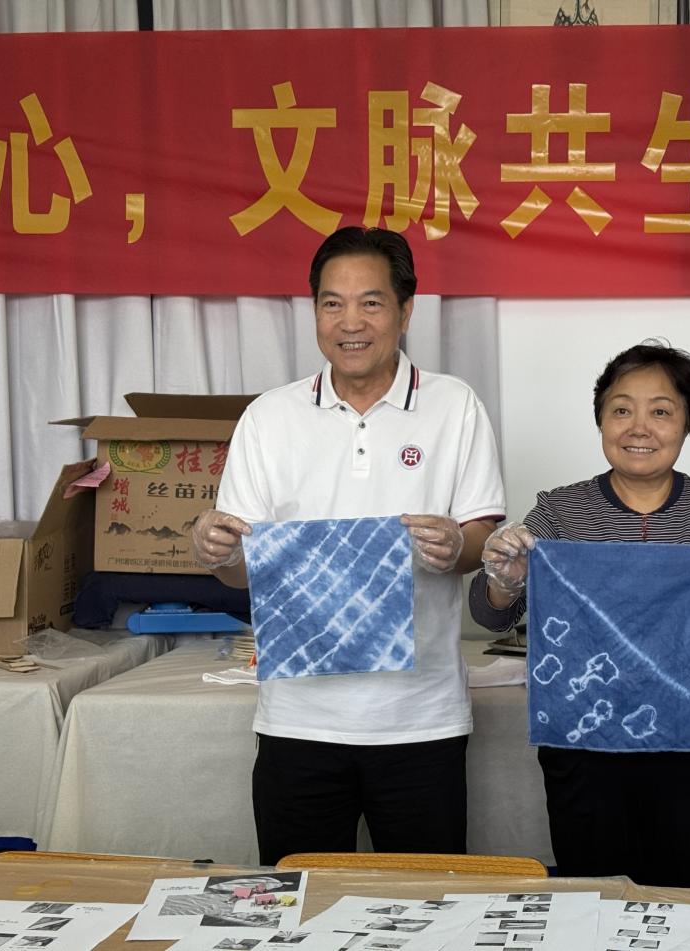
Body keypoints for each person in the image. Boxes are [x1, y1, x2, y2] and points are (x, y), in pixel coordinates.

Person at [190, 226, 504, 865]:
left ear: (405, 311)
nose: (349, 322)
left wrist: (456, 546)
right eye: (332, 303)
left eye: (371, 302)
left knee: (428, 903)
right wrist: (219, 552)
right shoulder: (270, 416)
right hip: (297, 717)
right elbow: (244, 572)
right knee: (296, 898)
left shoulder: (455, 406)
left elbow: (481, 539)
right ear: (314, 312)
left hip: (421, 718)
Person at [468, 341, 690, 887]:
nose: (639, 427)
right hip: (585, 740)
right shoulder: (560, 511)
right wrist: (505, 578)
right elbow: (491, 614)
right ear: (600, 420)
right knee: (594, 896)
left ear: (687, 424)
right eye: (622, 409)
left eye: (661, 411)